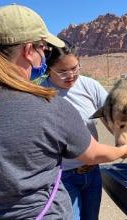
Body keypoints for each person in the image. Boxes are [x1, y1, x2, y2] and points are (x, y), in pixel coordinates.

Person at [0, 4, 127, 220]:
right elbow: (92, 153)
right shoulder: (49, 106)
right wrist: (123, 150)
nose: (43, 55)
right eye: (42, 48)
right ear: (28, 51)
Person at [40, 43, 108, 220]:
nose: (71, 75)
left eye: (74, 68)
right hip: (62, 178)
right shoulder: (42, 94)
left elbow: (112, 114)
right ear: (48, 69)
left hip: (92, 173)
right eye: (62, 71)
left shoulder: (90, 86)